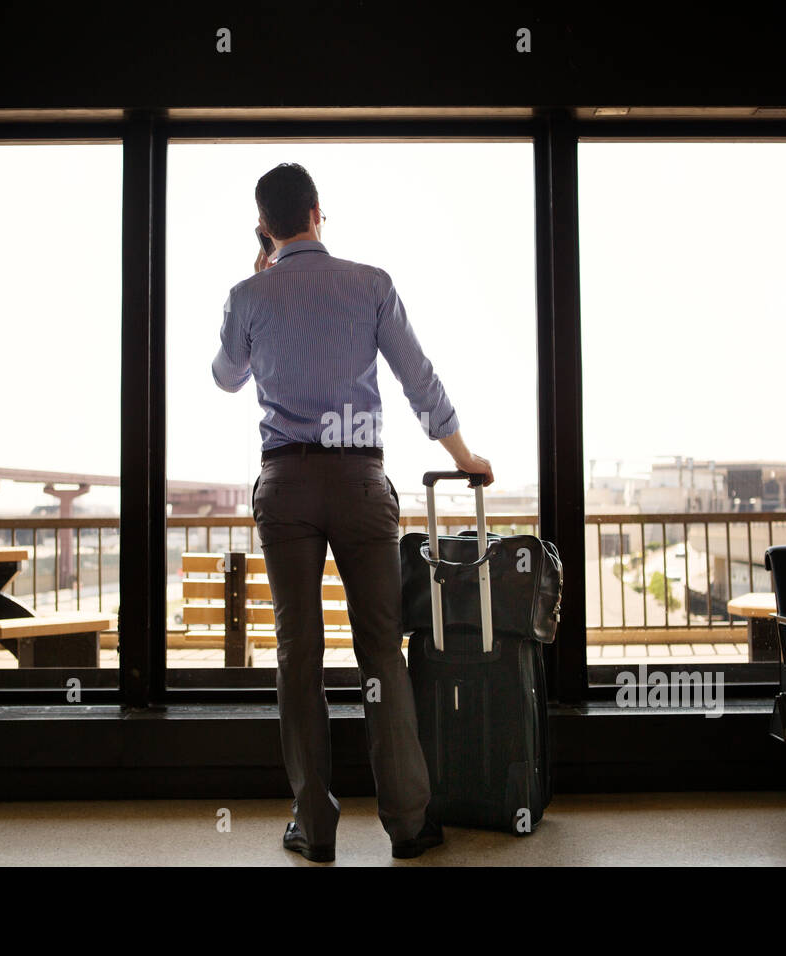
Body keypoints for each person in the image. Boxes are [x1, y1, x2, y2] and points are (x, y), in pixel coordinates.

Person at [211, 162, 494, 862]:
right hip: (361, 482)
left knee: (298, 653)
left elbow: (226, 376)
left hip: (286, 485)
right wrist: (463, 456)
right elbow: (418, 379)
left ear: (265, 226)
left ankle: (314, 827)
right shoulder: (371, 284)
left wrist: (259, 278)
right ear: (317, 213)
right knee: (381, 652)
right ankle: (409, 822)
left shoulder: (247, 294)